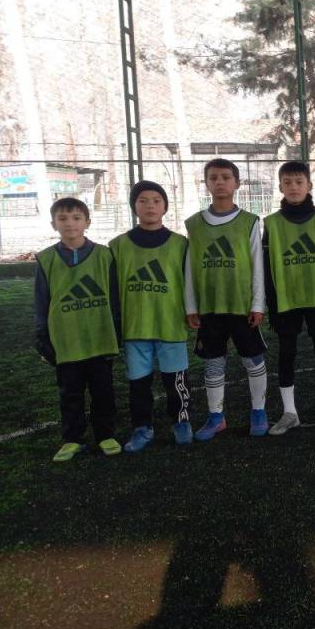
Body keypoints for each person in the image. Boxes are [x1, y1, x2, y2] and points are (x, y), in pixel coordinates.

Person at [184, 158, 269, 439]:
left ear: (237, 183)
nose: (219, 182)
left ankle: (259, 411)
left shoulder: (249, 221)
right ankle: (216, 417)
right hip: (209, 307)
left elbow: (257, 265)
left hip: (241, 306)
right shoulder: (195, 224)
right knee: (213, 362)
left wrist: (257, 304)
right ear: (206, 183)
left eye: (225, 177)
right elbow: (189, 268)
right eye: (213, 178)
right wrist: (191, 305)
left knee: (253, 359)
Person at [35, 198, 122, 462]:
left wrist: (117, 331)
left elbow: (115, 297)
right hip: (66, 340)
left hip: (99, 337)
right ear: (53, 224)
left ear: (87, 222)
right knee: (69, 393)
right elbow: (41, 301)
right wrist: (42, 337)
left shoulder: (105, 255)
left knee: (103, 391)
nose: (69, 223)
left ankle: (105, 434)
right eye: (62, 218)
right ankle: (72, 439)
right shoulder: (46, 259)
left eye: (76, 218)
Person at [110, 180, 194, 452]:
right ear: (133, 206)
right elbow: (112, 290)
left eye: (156, 201)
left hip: (171, 324)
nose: (150, 206)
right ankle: (142, 428)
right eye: (143, 200)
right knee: (139, 385)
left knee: (176, 382)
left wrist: (192, 312)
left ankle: (181, 422)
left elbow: (190, 284)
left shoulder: (181, 244)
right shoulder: (118, 245)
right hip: (135, 328)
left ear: (165, 206)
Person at [262, 161, 315, 435]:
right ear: (280, 187)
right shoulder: (271, 224)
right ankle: (290, 413)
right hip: (286, 301)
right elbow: (267, 268)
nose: (293, 187)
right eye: (287, 182)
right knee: (286, 354)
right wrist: (272, 305)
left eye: (299, 182)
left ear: (309, 185)